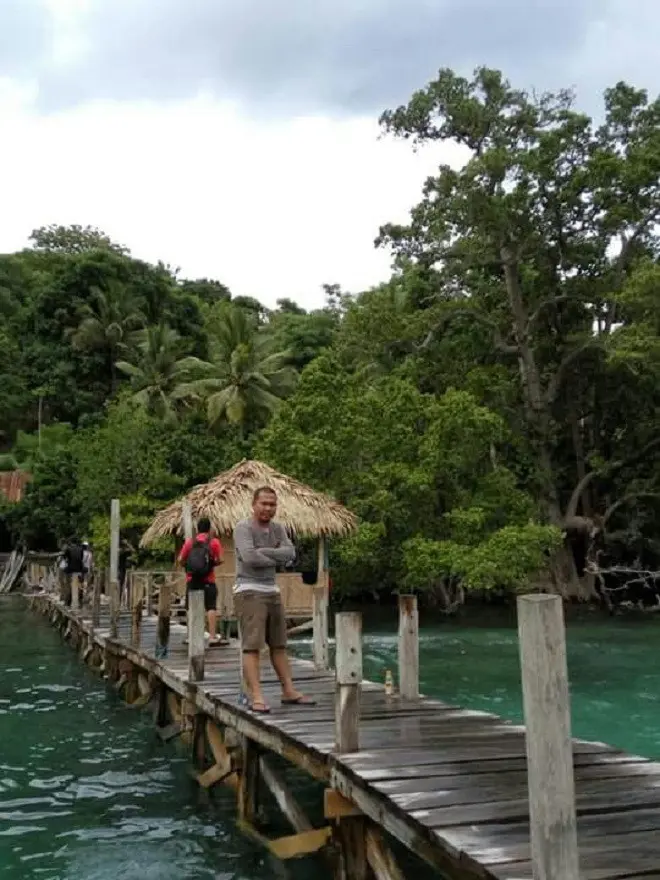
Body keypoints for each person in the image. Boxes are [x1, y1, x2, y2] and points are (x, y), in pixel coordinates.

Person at [233, 486, 315, 713]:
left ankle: (288, 690)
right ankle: (256, 696)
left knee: (279, 644)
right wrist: (276, 556)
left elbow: (290, 554)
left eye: (272, 504)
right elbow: (249, 558)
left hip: (272, 589)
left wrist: (264, 553)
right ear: (253, 504)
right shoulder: (243, 528)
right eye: (264, 504)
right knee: (252, 645)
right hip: (249, 589)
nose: (268, 508)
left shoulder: (278, 528)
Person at [178, 517, 227, 647]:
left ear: (197, 528)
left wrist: (189, 567)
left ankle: (192, 636)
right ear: (209, 528)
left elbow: (180, 559)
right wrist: (210, 565)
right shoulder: (214, 542)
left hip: (192, 579)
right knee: (211, 607)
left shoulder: (190, 542)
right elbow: (221, 559)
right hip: (208, 580)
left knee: (191, 607)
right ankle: (212, 636)